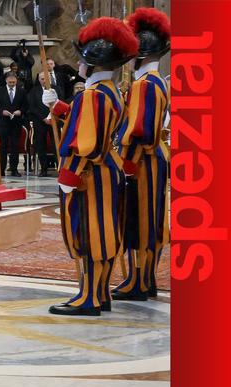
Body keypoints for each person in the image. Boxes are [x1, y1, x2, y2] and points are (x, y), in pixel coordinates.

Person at [42, 16, 138, 316]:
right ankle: (98, 293)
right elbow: (89, 123)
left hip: (89, 172)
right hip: (107, 169)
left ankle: (91, 297)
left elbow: (85, 141)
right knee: (106, 231)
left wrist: (69, 174)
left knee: (90, 232)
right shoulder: (110, 92)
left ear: (93, 64)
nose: (79, 65)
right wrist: (59, 107)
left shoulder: (92, 95)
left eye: (83, 60)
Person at [112, 8, 171, 302]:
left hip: (142, 160)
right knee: (151, 218)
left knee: (140, 219)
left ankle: (138, 280)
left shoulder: (144, 85)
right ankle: (145, 278)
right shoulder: (157, 81)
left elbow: (139, 130)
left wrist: (128, 165)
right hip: (154, 157)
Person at [0, 72, 28, 176]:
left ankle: (14, 169)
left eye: (14, 82)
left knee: (15, 146)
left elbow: (26, 105)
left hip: (16, 123)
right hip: (3, 123)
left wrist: (20, 111)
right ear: (6, 81)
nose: (12, 84)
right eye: (10, 82)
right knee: (2, 146)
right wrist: (1, 112)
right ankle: (1, 169)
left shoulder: (21, 91)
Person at [27, 74, 59, 176]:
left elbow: (60, 102)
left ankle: (59, 167)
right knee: (41, 145)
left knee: (56, 144)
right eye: (42, 79)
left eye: (46, 78)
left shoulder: (56, 89)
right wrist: (44, 118)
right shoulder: (34, 91)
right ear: (39, 80)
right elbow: (32, 106)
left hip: (54, 120)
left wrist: (51, 117)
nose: (44, 80)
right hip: (40, 121)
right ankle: (44, 169)